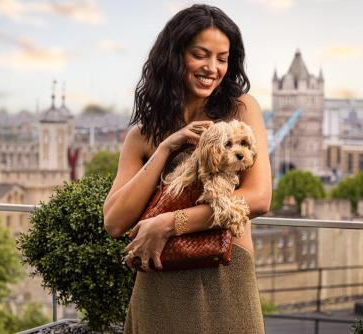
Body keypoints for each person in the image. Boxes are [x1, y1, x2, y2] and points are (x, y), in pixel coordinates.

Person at [102, 4, 272, 333]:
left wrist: (169, 223)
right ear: (175, 55)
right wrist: (166, 148)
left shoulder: (241, 109)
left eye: (222, 58)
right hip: (160, 287)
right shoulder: (142, 136)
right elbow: (114, 221)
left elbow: (259, 197)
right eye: (200, 54)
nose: (212, 67)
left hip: (226, 277)